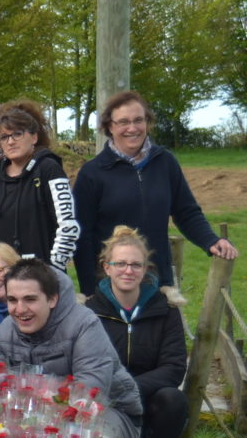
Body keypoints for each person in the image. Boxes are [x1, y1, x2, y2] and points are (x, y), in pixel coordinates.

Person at [0, 258, 142, 438]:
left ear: (52, 299)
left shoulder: (84, 324)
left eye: (30, 299)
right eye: (12, 300)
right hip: (36, 416)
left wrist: (38, 419)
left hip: (107, 413)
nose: (20, 309)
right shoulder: (6, 330)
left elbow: (91, 391)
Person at [73, 90, 238, 294]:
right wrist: (90, 290)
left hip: (157, 278)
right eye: (123, 122)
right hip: (112, 284)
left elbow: (186, 212)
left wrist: (211, 240)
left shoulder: (165, 162)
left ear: (147, 122)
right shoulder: (92, 173)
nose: (132, 128)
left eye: (138, 120)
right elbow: (82, 235)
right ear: (109, 127)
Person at [85, 226, 189, 438]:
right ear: (107, 267)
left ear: (145, 270)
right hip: (105, 401)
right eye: (120, 264)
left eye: (135, 265)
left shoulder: (166, 311)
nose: (128, 271)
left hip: (147, 399)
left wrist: (130, 387)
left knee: (174, 400)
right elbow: (86, 362)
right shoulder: (88, 311)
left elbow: (174, 366)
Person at [0, 100, 78, 271]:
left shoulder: (49, 170)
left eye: (17, 134)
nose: (10, 142)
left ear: (34, 137)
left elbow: (67, 226)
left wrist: (54, 271)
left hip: (40, 279)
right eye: (4, 137)